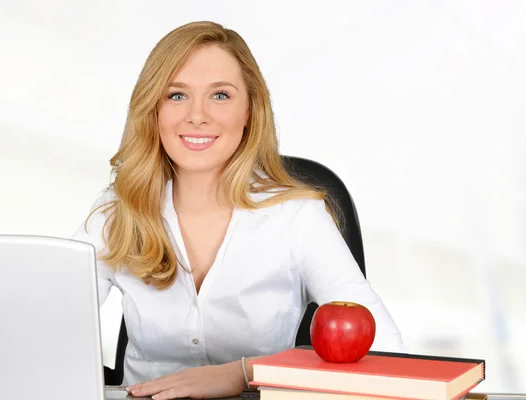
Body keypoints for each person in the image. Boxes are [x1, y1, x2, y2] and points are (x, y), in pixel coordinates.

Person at [73, 20, 404, 400]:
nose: (197, 116)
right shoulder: (115, 212)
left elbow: (388, 353)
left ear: (250, 111)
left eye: (220, 96)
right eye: (177, 95)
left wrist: (245, 373)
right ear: (153, 109)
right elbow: (43, 326)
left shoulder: (297, 216)